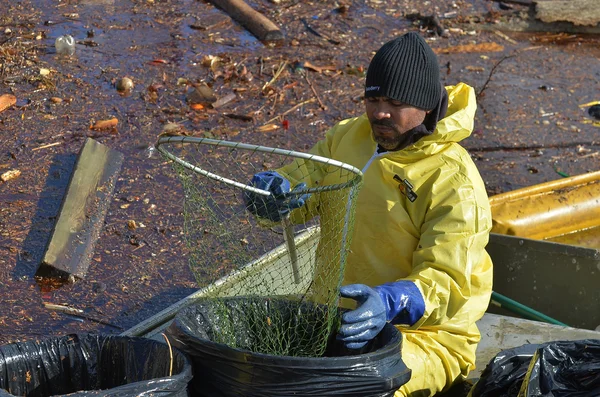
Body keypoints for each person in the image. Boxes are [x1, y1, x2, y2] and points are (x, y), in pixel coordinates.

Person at [244, 32, 493, 397]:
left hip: (426, 337)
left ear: (424, 105)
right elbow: (303, 185)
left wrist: (392, 301)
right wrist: (273, 193)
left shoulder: (454, 181)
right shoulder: (348, 136)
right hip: (331, 316)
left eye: (394, 102)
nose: (379, 112)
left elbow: (450, 281)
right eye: (372, 98)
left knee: (357, 388)